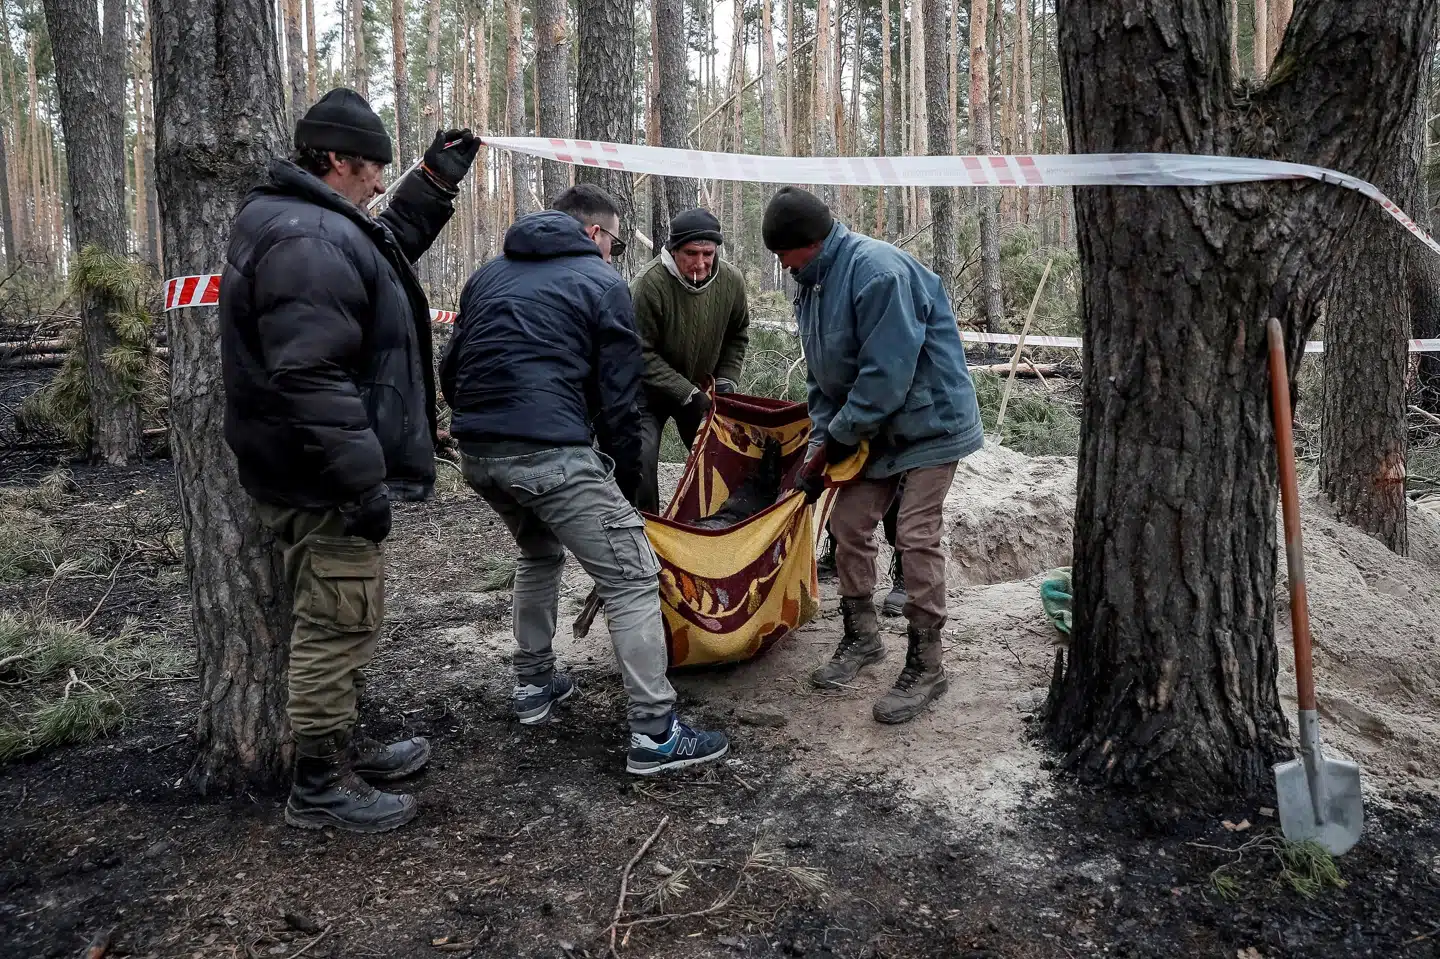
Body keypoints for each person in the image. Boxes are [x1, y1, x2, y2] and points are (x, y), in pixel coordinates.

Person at [221, 88, 481, 832]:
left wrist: (434, 182)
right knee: (338, 621)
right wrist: (361, 480)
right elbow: (309, 377)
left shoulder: (311, 223)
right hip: (321, 477)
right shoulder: (305, 240)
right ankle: (320, 783)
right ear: (336, 160)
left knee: (341, 617)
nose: (376, 183)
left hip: (304, 468)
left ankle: (341, 748)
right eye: (372, 169)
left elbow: (382, 245)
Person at [439, 184, 730, 775]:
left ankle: (533, 684)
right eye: (615, 241)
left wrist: (474, 427)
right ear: (594, 234)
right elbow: (621, 398)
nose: (614, 253)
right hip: (551, 452)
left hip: (480, 451)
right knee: (631, 575)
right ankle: (655, 732)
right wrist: (622, 478)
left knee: (538, 553)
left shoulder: (488, 275)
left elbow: (451, 364)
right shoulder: (601, 283)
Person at [763, 186, 983, 725]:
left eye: (781, 253)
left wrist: (841, 434)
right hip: (873, 429)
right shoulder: (811, 284)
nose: (780, 264)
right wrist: (821, 444)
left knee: (913, 533)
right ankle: (862, 638)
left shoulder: (877, 272)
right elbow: (823, 375)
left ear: (805, 243)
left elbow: (886, 375)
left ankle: (926, 663)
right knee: (849, 524)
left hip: (930, 423)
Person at [631, 208, 751, 513]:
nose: (700, 263)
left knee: (722, 459)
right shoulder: (649, 284)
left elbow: (737, 333)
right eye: (691, 253)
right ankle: (647, 537)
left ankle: (717, 528)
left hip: (701, 389)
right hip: (647, 394)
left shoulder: (731, 281)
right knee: (640, 462)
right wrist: (685, 392)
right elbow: (639, 352)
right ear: (674, 250)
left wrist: (725, 380)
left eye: (707, 253)